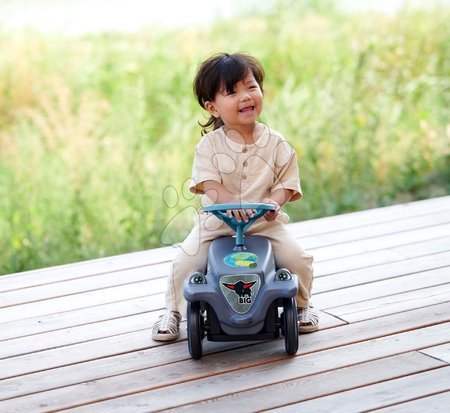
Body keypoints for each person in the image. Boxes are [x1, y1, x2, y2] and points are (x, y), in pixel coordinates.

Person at [152, 52, 318, 341]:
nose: (245, 96)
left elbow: (287, 183)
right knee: (186, 261)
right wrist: (230, 202)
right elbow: (208, 184)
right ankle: (173, 311)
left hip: (263, 223)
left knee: (298, 257)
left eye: (251, 87)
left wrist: (274, 203)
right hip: (217, 224)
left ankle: (303, 305)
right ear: (213, 107)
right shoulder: (208, 146)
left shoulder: (277, 143)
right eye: (232, 92)